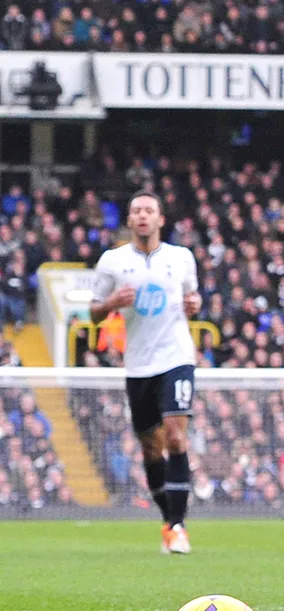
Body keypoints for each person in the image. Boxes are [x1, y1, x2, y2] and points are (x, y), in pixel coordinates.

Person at [89, 190, 202, 554]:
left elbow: (193, 303)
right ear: (129, 219)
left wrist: (194, 305)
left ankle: (179, 526)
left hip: (177, 357)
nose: (142, 216)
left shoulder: (181, 258)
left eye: (148, 210)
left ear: (160, 218)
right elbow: (92, 312)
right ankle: (168, 522)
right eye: (136, 210)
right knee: (151, 448)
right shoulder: (112, 261)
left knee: (175, 436)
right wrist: (110, 304)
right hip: (138, 364)